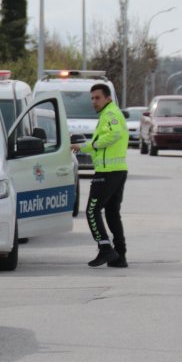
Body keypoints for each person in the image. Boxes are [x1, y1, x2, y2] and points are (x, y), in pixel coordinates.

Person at [84, 83, 129, 268]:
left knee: (92, 211)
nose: (94, 101)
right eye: (92, 98)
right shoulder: (107, 114)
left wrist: (93, 145)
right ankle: (119, 256)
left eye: (97, 98)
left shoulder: (110, 114)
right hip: (116, 170)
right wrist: (85, 146)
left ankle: (105, 249)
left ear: (108, 98)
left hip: (108, 172)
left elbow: (115, 134)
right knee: (112, 213)